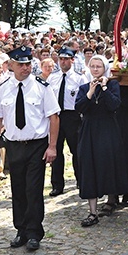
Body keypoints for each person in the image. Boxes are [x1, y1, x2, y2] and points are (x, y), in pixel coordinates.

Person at [0, 46, 60, 251]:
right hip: (14, 144)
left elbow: (53, 117)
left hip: (37, 145)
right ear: (11, 65)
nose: (25, 68)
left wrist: (52, 147)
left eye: (28, 63)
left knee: (33, 189)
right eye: (20, 64)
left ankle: (34, 232)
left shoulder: (42, 86)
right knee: (18, 188)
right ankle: (20, 229)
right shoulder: (4, 88)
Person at [75, 55, 128, 226]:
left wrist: (104, 88)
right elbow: (79, 107)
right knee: (89, 166)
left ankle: (111, 199)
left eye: (99, 66)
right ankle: (92, 212)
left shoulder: (112, 85)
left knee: (108, 163)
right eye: (93, 66)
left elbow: (114, 105)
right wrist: (90, 93)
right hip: (90, 130)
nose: (96, 69)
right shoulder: (84, 87)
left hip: (108, 130)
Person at [48, 47, 87, 196]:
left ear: (72, 60)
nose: (63, 61)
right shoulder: (53, 77)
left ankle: (81, 180)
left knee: (77, 150)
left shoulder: (79, 78)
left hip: (73, 116)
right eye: (61, 59)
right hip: (56, 116)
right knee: (55, 150)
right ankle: (57, 185)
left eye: (66, 59)